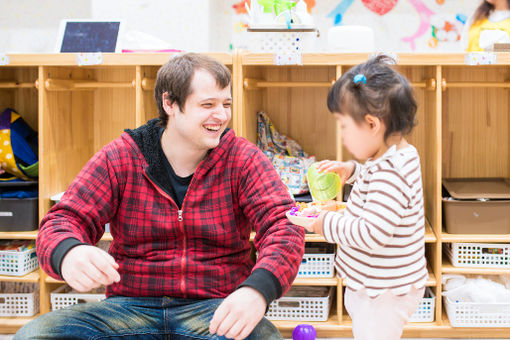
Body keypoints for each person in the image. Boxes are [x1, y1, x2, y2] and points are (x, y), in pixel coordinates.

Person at [15, 53, 305, 340]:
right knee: (35, 335)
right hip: (128, 309)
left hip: (215, 310)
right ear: (170, 103)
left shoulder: (243, 158)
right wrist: (68, 252)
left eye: (226, 104)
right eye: (207, 104)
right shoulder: (122, 156)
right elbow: (62, 220)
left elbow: (284, 225)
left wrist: (257, 291)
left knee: (262, 336)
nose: (221, 115)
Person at [307, 55, 428, 340]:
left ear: (373, 124)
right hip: (380, 285)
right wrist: (353, 171)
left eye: (344, 126)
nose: (342, 135)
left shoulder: (390, 171)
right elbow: (379, 184)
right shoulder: (395, 155)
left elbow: (371, 233)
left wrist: (323, 222)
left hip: (384, 291)